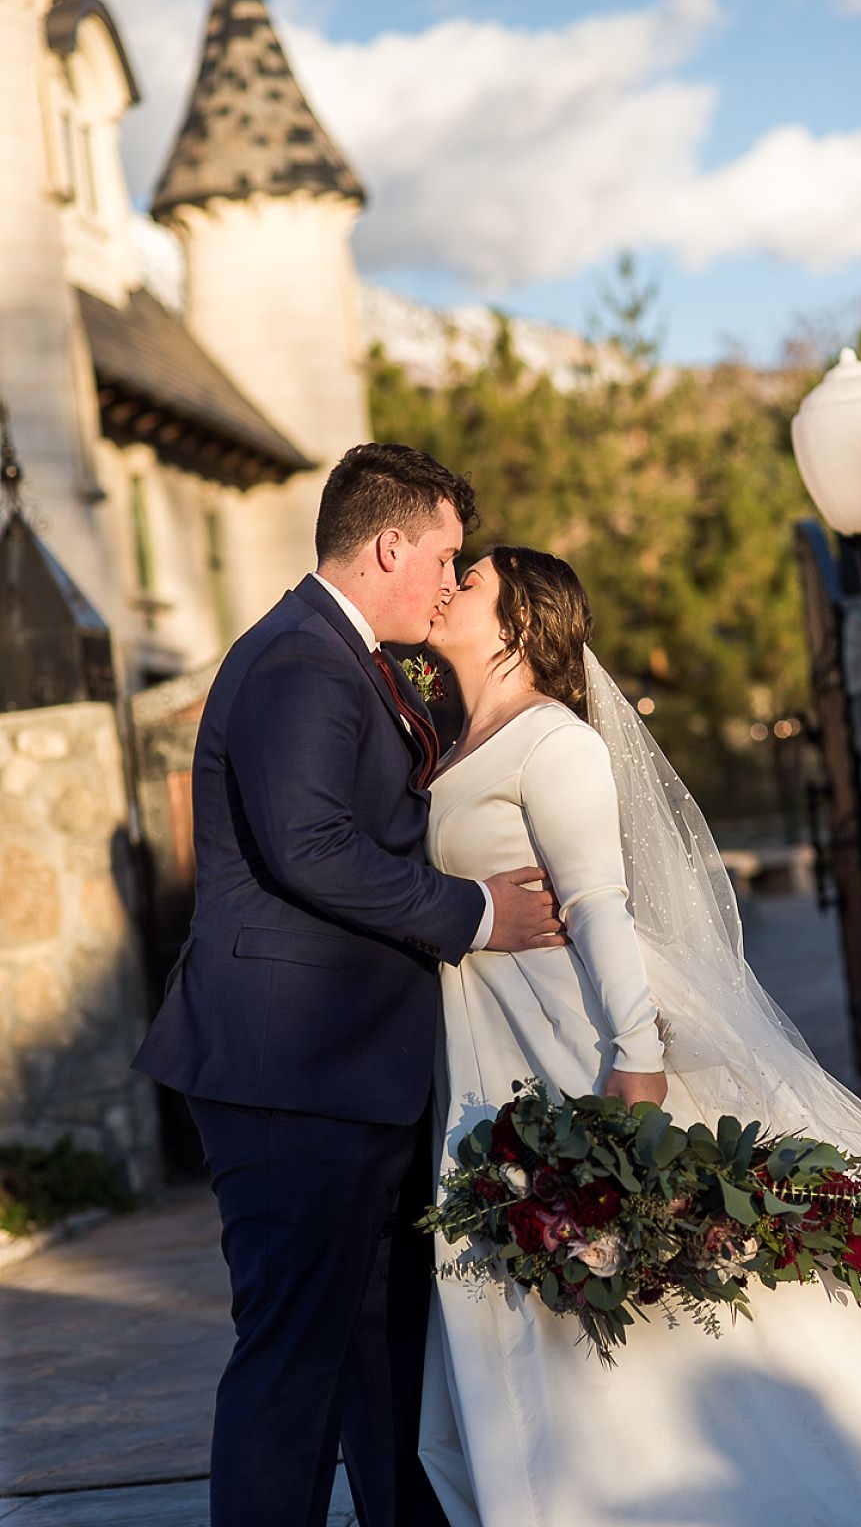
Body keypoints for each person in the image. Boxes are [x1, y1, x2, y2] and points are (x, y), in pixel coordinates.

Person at [415, 546, 861, 1526]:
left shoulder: (553, 742)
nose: (448, 589)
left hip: (565, 1045)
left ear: (520, 623)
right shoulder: (453, 741)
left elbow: (599, 907)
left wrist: (638, 1068)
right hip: (491, 1043)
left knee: (639, 1284)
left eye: (471, 579)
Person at [133, 444, 566, 1527]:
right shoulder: (299, 661)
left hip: (353, 1080)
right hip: (292, 1079)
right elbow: (311, 845)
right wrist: (477, 914)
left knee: (388, 1367)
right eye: (444, 555)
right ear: (388, 544)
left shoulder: (349, 653)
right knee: (297, 1365)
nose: (451, 579)